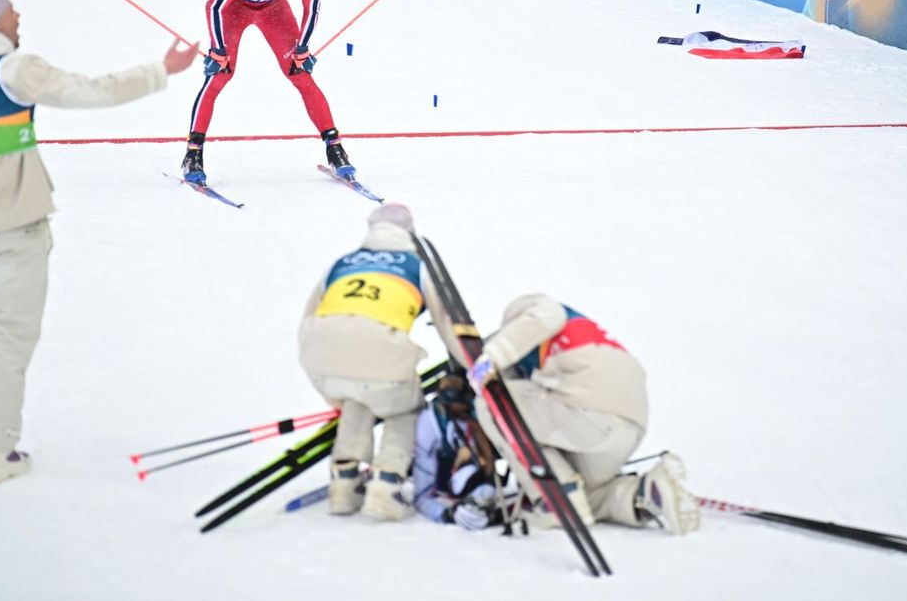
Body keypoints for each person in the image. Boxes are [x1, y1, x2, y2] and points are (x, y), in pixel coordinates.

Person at [0, 0, 198, 482]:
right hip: (16, 227)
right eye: (11, 11)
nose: (18, 16)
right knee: (8, 340)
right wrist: (162, 71)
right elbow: (95, 90)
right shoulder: (13, 68)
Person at [458, 295, 700, 534]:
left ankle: (558, 499)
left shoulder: (536, 314)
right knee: (585, 496)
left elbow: (547, 313)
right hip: (627, 428)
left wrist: (491, 358)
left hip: (590, 413)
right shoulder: (581, 343)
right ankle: (645, 493)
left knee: (492, 403)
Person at [299, 203, 447, 520]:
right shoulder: (417, 265)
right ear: (409, 231)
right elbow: (447, 320)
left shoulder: (342, 263)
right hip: (380, 354)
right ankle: (387, 487)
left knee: (358, 395)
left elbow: (308, 316)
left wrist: (328, 388)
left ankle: (344, 484)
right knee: (403, 408)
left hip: (319, 352)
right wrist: (467, 364)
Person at [180, 0, 351, 184]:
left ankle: (334, 147)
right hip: (233, 11)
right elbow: (215, 5)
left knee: (300, 74)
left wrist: (303, 48)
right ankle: (193, 153)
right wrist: (218, 49)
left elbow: (311, 10)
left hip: (273, 12)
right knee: (219, 75)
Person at [413, 375, 502, 529]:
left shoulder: (474, 416)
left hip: (473, 477)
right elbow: (422, 497)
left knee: (485, 488)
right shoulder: (429, 425)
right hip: (445, 478)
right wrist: (446, 514)